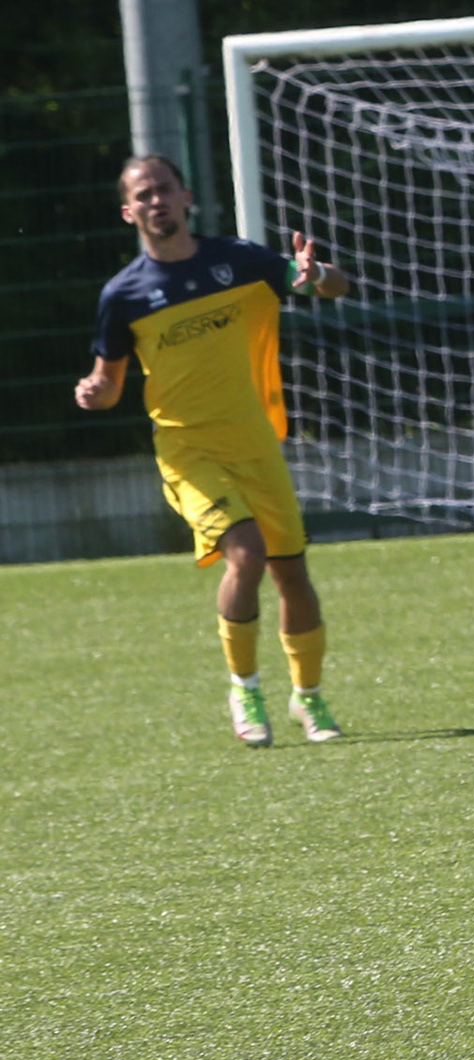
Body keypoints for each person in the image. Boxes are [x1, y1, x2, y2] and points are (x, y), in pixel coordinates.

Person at [75, 155, 351, 748]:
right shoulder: (123, 294)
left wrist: (316, 274)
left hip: (254, 442)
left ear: (186, 197)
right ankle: (244, 687)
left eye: (164, 189)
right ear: (128, 212)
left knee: (292, 574)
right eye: (143, 195)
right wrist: (95, 392)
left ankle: (308, 697)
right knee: (245, 553)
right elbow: (110, 382)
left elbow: (331, 285)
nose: (156, 201)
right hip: (188, 451)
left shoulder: (239, 260)